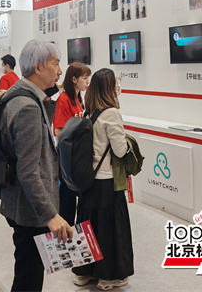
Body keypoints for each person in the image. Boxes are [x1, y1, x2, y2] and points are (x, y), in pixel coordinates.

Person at [0, 39, 72, 292]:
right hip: (30, 210)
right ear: (39, 68)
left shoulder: (20, 95)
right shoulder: (28, 107)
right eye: (55, 64)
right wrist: (50, 215)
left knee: (27, 272)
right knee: (28, 279)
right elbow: (28, 171)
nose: (60, 71)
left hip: (19, 203)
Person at [72, 68, 133, 291]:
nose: (118, 85)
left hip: (88, 180)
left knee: (87, 226)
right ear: (109, 87)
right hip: (107, 180)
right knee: (109, 228)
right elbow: (119, 150)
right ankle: (109, 277)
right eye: (116, 82)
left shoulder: (88, 111)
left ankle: (83, 273)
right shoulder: (112, 113)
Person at [53, 62, 91, 226]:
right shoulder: (64, 99)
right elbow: (59, 131)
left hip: (76, 154)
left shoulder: (78, 98)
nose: (87, 82)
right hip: (67, 156)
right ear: (74, 79)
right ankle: (65, 231)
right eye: (84, 78)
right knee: (67, 198)